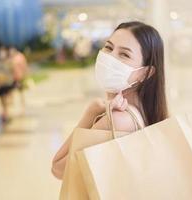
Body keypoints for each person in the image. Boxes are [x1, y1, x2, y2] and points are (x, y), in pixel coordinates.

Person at [52, 21, 169, 179]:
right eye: (108, 47)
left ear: (145, 73)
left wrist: (91, 113)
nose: (110, 57)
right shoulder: (144, 110)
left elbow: (58, 169)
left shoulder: (118, 119)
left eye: (124, 54)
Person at [0, 46, 15, 122]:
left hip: (7, 84)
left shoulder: (9, 61)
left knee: (6, 100)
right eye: (1, 51)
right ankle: (5, 113)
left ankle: (5, 114)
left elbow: (12, 71)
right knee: (2, 100)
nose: (2, 53)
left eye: (3, 51)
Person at [9, 47, 28, 113]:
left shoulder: (20, 56)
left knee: (21, 91)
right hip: (12, 78)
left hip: (20, 77)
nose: (11, 52)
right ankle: (11, 104)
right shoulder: (10, 58)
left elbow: (24, 66)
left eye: (12, 50)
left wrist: (25, 74)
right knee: (10, 91)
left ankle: (23, 105)